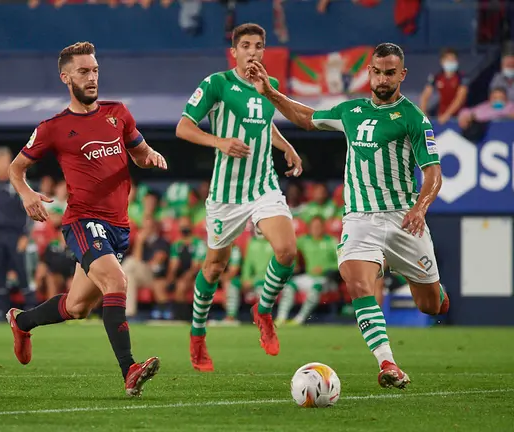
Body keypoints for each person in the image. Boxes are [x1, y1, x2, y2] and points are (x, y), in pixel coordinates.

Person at [250, 42, 450, 389]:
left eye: (390, 73)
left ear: (401, 75)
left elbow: (433, 172)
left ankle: (434, 289)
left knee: (430, 306)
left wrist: (420, 207)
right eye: (377, 71)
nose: (383, 78)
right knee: (357, 284)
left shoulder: (414, 118)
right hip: (359, 219)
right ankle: (387, 363)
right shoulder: (350, 111)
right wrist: (270, 92)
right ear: (368, 71)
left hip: (403, 219)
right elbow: (307, 118)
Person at [5, 41, 167, 397]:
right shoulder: (53, 127)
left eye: (94, 70)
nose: (92, 77)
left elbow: (138, 154)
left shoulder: (118, 113)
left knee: (77, 306)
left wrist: (150, 154)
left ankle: (22, 321)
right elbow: (15, 168)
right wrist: (28, 194)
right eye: (83, 71)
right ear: (65, 77)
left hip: (119, 226)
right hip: (82, 221)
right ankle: (130, 370)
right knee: (117, 282)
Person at [175, 22, 303, 371]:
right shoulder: (217, 83)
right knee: (215, 267)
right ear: (234, 51)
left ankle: (262, 311)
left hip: (263, 186)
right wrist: (219, 142)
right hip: (226, 195)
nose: (252, 52)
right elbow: (183, 126)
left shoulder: (269, 86)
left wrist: (287, 145)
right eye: (245, 45)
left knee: (287, 251)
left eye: (258, 46)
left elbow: (264, 122)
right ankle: (198, 336)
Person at [0, 146, 37, 320]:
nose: (6, 165)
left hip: (16, 235)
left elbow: (31, 210)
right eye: (3, 161)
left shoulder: (19, 183)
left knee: (23, 273)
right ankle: (1, 311)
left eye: (8, 161)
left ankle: (31, 310)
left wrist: (26, 236)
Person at [276, 216, 338, 326]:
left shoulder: (332, 242)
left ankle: (299, 319)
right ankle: (281, 318)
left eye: (318, 226)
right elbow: (290, 246)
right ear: (309, 228)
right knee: (290, 285)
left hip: (327, 278)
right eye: (313, 227)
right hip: (309, 276)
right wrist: (293, 262)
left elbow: (341, 262)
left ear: (323, 228)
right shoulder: (305, 241)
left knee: (316, 287)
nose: (316, 229)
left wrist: (324, 268)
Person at [418, 47, 468, 125]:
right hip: (441, 114)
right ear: (442, 61)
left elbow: (460, 98)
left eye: (453, 60)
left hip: (459, 116)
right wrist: (423, 113)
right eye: (448, 60)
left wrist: (447, 115)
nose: (451, 62)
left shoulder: (462, 78)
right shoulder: (436, 77)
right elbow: (425, 96)